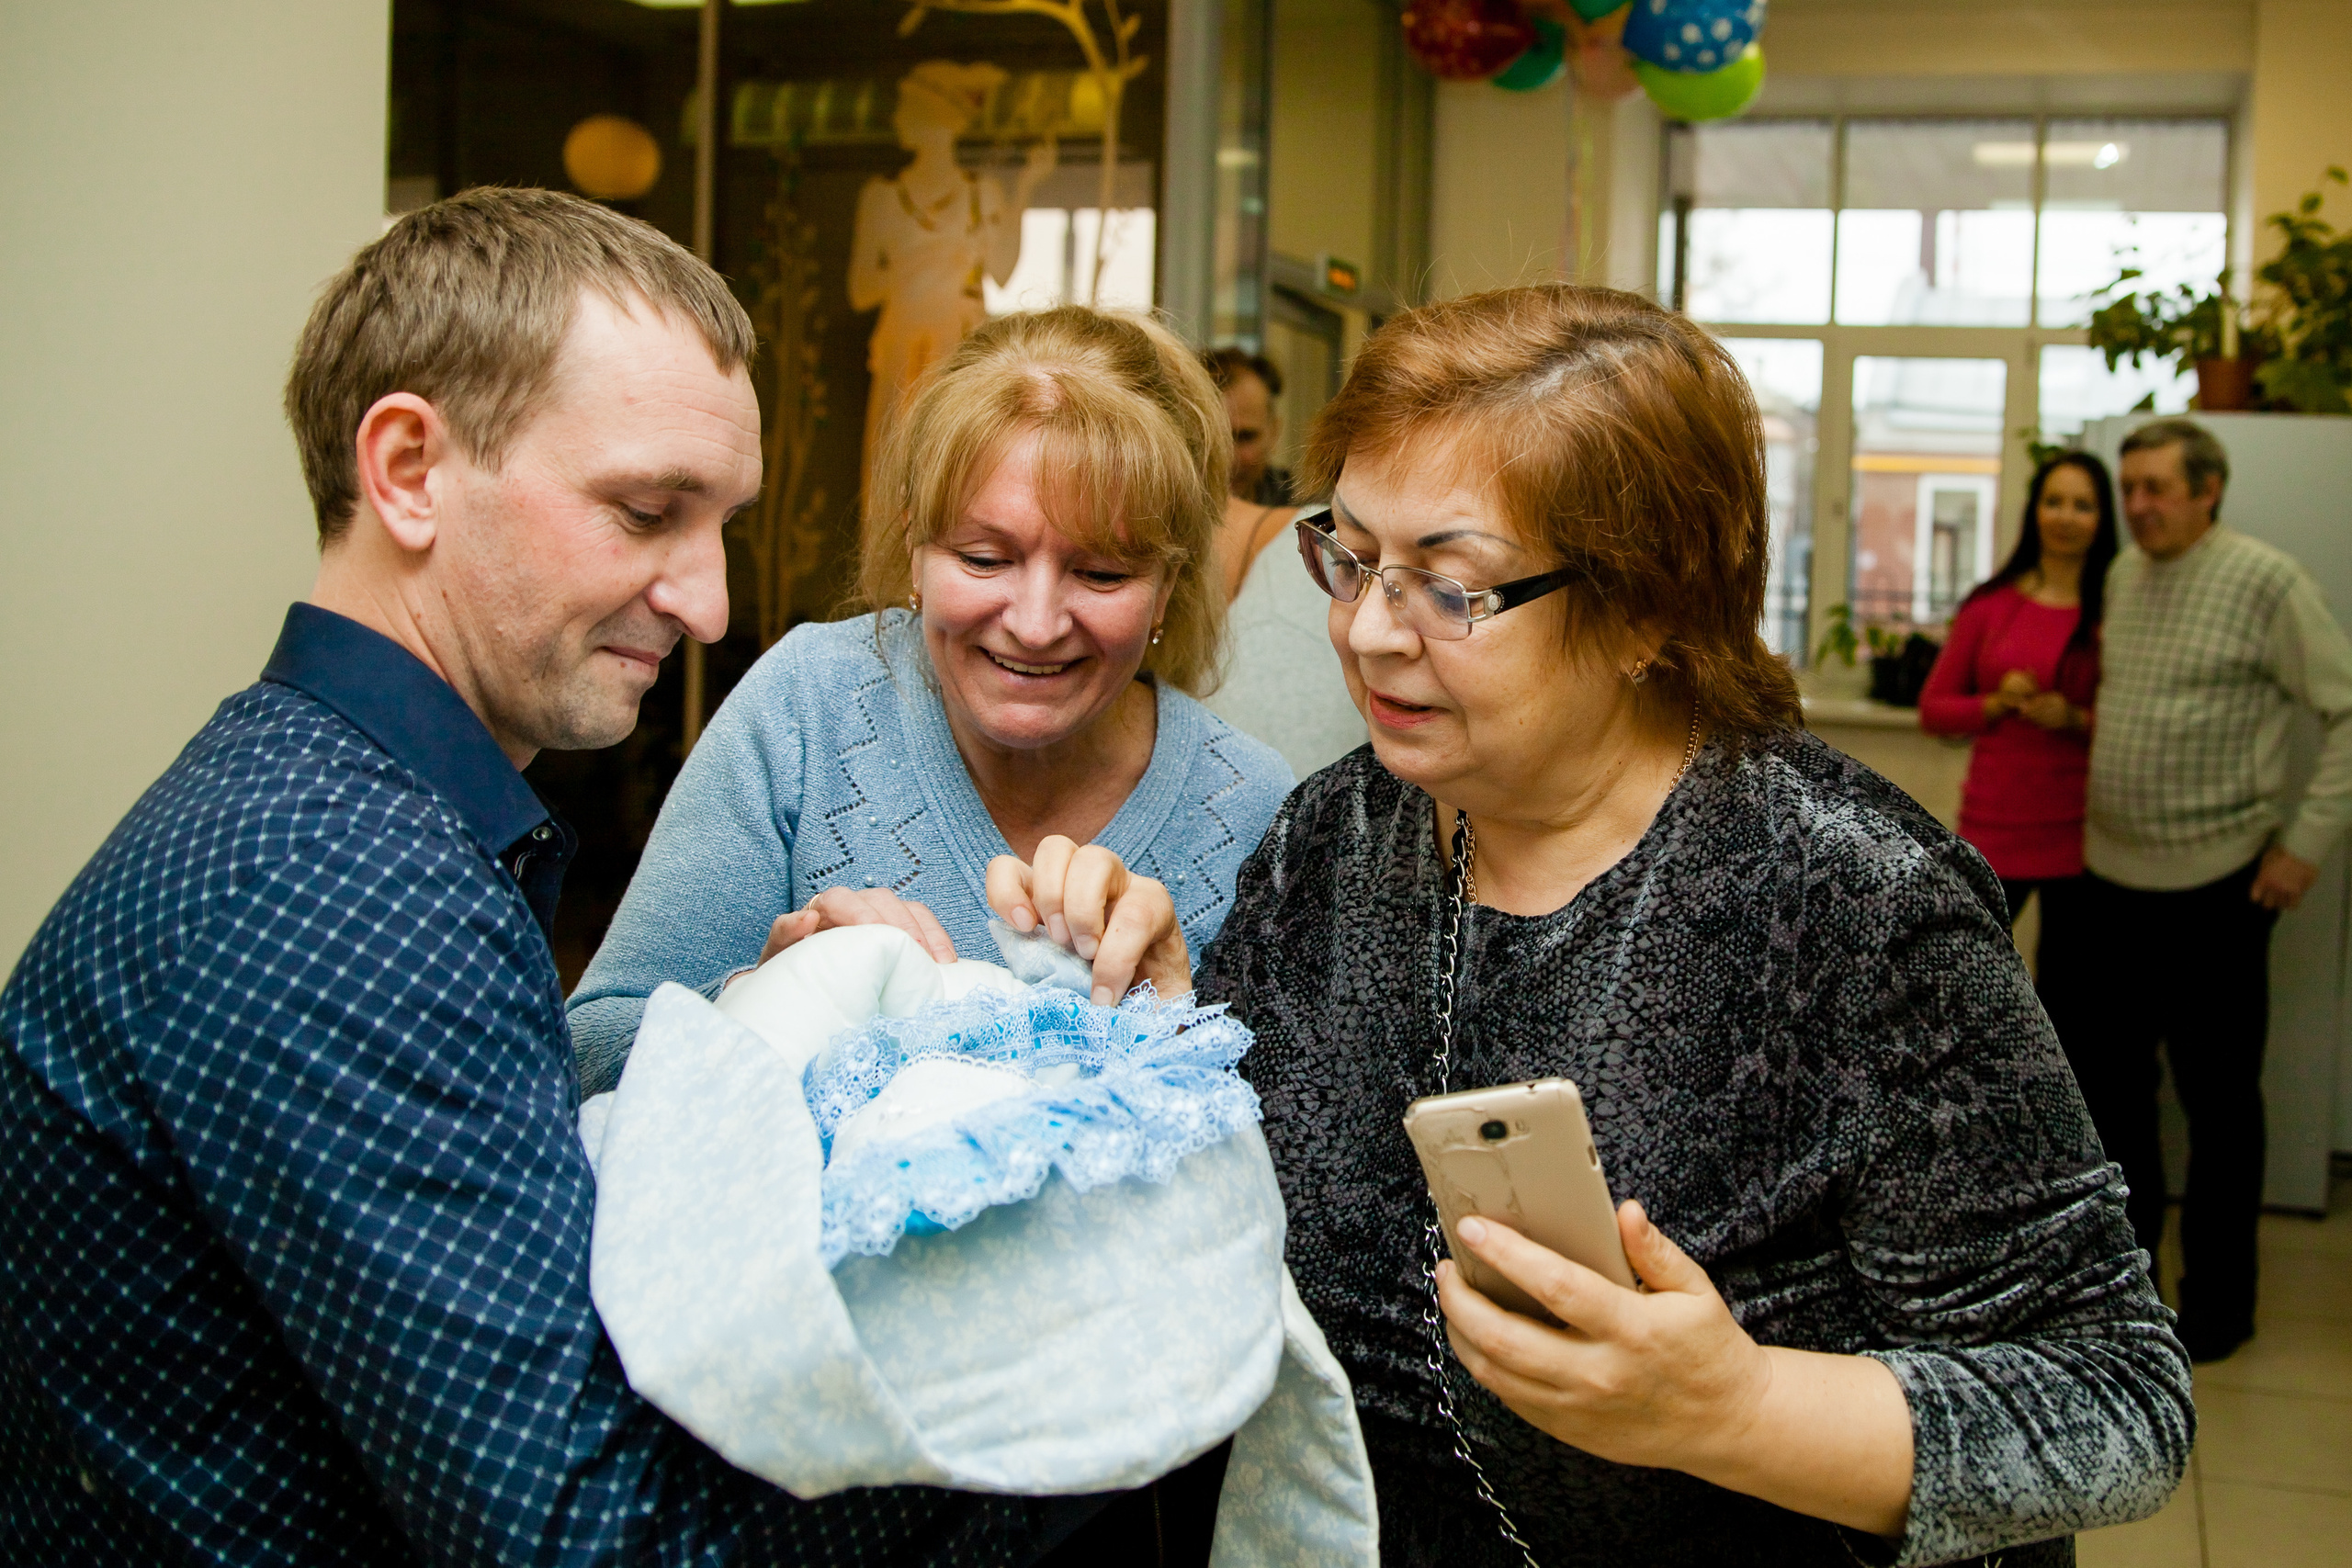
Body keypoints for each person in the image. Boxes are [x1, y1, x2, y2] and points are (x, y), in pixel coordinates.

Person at [985, 285, 2193, 1565]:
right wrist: (1167, 1031)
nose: (1365, 628)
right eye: (1350, 555)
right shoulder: (1335, 835)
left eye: (1449, 586)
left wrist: (1739, 1409)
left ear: (1644, 609)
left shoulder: (1849, 897)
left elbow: (2117, 1397)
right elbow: (1251, 1230)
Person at [0, 189, 1073, 1562]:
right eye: (644, 511)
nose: (708, 603)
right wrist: (1063, 1347)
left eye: (721, 524)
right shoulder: (340, 888)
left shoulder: (339, 808)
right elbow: (590, 1535)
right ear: (406, 469)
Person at [568, 304, 1292, 1088]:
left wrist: (1175, 1023)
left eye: (1102, 573)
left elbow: (1298, 1169)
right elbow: (584, 1054)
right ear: (915, 551)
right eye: (984, 558)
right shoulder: (811, 706)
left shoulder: (1253, 808)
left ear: (1167, 589)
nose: (1037, 624)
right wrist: (761, 996)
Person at [2076, 416, 2352, 1363]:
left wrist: (2304, 845)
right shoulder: (2123, 574)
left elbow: (2346, 711)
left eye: (2158, 488)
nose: (2139, 506)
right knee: (2114, 1103)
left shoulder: (2266, 580)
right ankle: (2132, 1295)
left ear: (2208, 492)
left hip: (2217, 888)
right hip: (2110, 882)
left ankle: (2221, 1309)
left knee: (2221, 1108)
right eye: (2131, 487)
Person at [1917, 450, 2117, 1045]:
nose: (2066, 516)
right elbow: (1935, 709)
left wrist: (2078, 717)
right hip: (1995, 829)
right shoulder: (1992, 605)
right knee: (1965, 992)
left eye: (2083, 504)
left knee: (2074, 1010)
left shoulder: (2119, 608)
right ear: (2034, 511)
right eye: (2054, 501)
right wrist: (1996, 704)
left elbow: (2140, 719)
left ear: (2103, 519)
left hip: (2083, 840)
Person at [850, 61, 1057, 484]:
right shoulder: (883, 198)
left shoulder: (982, 195)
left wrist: (1027, 187)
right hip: (901, 346)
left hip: (958, 350)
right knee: (892, 471)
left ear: (937, 118)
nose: (898, 119)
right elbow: (861, 290)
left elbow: (1001, 271)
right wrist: (924, 271)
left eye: (909, 108)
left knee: (957, 469)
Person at [1206, 345, 1292, 508]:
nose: (1229, 459)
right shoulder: (1159, 514)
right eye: (1212, 440)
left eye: (1245, 437)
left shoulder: (1307, 517)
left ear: (1274, 433)